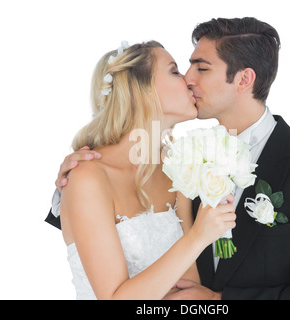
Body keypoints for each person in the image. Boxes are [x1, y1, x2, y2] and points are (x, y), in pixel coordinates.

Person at [49, 17, 290, 300]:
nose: (188, 79)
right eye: (180, 69)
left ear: (243, 80)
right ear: (140, 91)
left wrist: (217, 301)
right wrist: (68, 187)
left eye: (202, 68)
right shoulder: (186, 162)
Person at [47, 40, 237, 299]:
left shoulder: (176, 170)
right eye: (175, 71)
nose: (189, 81)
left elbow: (188, 289)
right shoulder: (87, 177)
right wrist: (198, 237)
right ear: (142, 90)